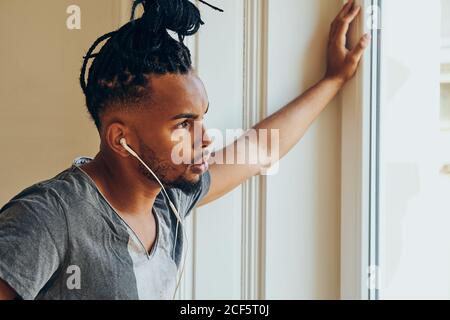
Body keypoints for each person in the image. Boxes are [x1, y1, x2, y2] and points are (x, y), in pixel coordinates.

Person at [0, 0, 369, 300]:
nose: (205, 138)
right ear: (120, 139)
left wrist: (334, 80)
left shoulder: (169, 199)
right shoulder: (50, 216)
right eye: (183, 124)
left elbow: (257, 150)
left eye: (202, 118)